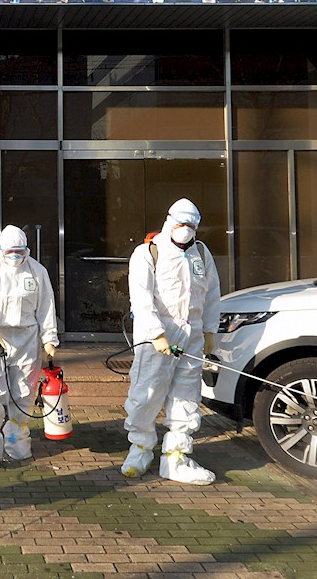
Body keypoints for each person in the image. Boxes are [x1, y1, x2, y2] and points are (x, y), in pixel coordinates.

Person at [122, 199, 220, 485]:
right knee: (147, 393)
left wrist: (210, 331)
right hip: (156, 338)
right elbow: (141, 297)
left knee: (186, 395)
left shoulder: (201, 253)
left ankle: (176, 458)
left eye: (192, 225)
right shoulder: (147, 253)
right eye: (181, 223)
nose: (186, 229)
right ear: (168, 221)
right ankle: (139, 449)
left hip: (192, 335)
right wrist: (156, 334)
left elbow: (212, 292)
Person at [0, 225, 58, 465]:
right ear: (1, 250)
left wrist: (49, 338)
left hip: (27, 338)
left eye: (19, 251)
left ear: (26, 250)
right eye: (10, 251)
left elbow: (46, 306)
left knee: (23, 392)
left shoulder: (37, 272)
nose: (15, 256)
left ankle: (16, 440)